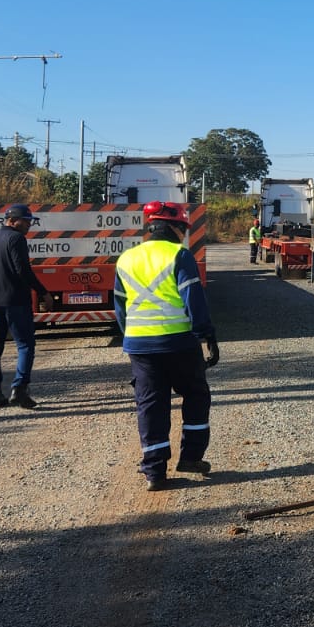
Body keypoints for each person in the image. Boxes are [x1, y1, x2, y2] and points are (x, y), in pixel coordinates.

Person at [114, 201, 220, 491]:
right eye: (184, 228)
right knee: (196, 394)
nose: (184, 233)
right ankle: (191, 457)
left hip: (139, 346)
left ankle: (154, 471)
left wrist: (131, 336)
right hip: (179, 342)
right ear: (174, 227)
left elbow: (120, 307)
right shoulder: (179, 255)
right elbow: (193, 299)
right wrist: (206, 334)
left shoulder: (126, 259)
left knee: (150, 404)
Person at [0, 203, 52, 409]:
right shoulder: (16, 238)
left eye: (30, 222)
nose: (28, 226)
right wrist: (43, 292)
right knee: (25, 345)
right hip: (14, 301)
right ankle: (19, 389)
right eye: (26, 222)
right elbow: (23, 270)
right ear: (12, 221)